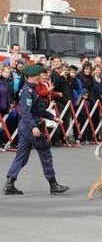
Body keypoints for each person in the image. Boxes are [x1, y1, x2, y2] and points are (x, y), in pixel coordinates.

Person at [3, 65, 70, 195]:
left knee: (22, 156)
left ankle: (9, 184)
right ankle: (53, 184)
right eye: (36, 75)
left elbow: (38, 109)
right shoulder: (27, 92)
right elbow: (26, 113)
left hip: (26, 127)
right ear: (29, 77)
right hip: (31, 127)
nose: (39, 77)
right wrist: (34, 126)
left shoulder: (30, 91)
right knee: (45, 154)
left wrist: (52, 117)